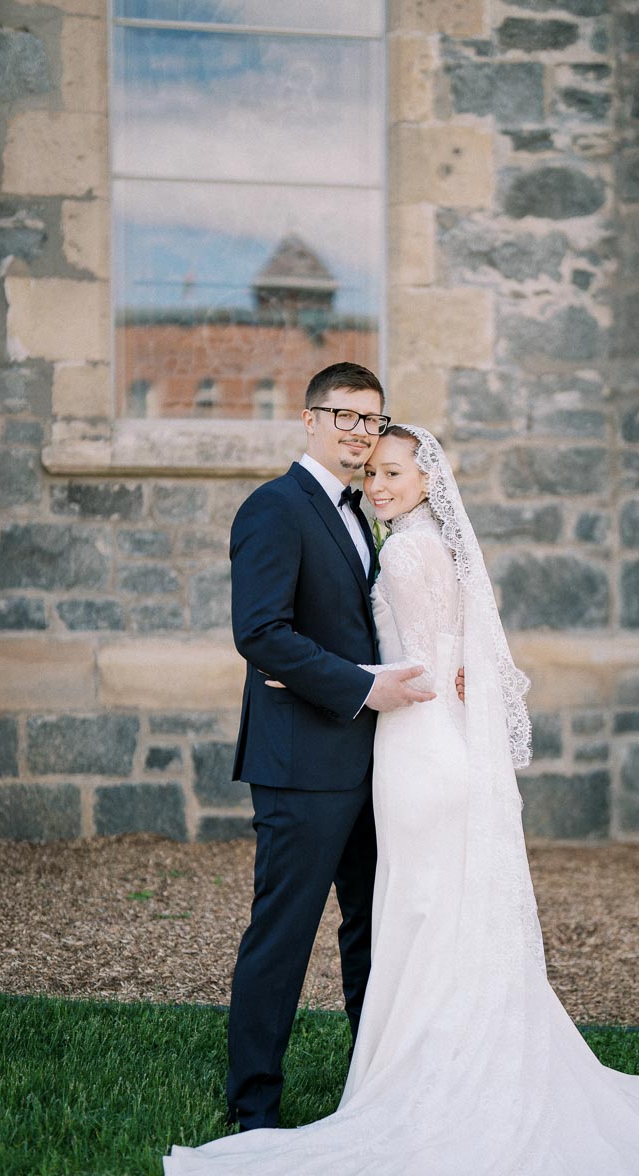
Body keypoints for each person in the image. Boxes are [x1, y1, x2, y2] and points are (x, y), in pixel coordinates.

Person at [164, 424, 639, 1176]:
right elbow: (441, 655)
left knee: (419, 918)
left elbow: (415, 659)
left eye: (397, 471)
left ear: (426, 479)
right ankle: (421, 1065)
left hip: (414, 751)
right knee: (427, 919)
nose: (380, 483)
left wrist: (369, 684)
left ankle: (426, 1087)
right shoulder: (413, 542)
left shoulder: (408, 552)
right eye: (375, 472)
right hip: (423, 748)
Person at [225, 363, 433, 1132]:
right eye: (342, 414)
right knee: (283, 934)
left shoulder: (363, 510)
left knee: (370, 931)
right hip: (303, 765)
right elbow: (260, 632)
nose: (357, 430)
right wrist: (356, 685)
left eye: (371, 419)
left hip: (372, 763)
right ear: (308, 419)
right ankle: (253, 1105)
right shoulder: (275, 508)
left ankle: (371, 1086)